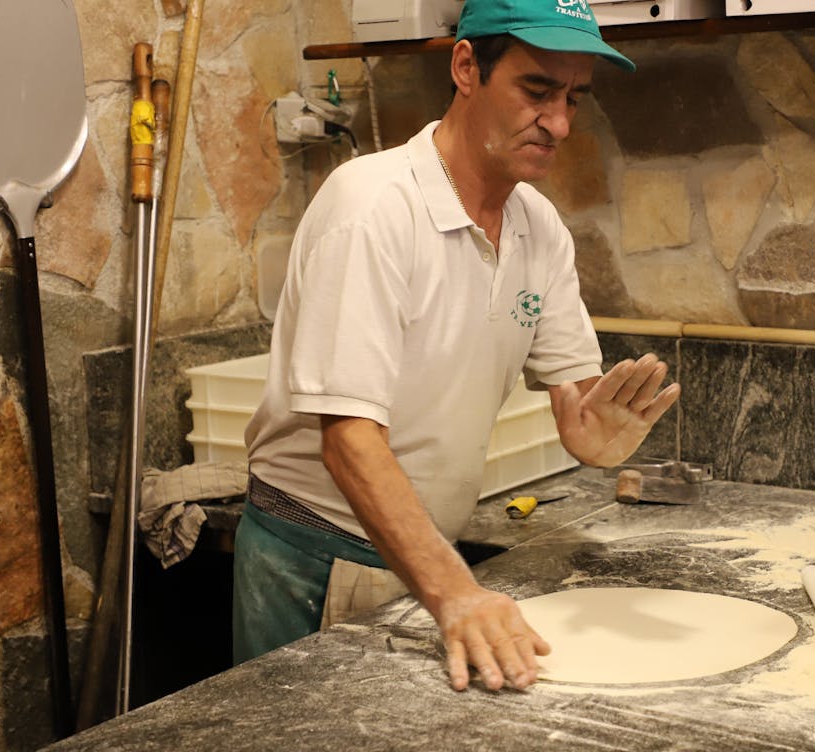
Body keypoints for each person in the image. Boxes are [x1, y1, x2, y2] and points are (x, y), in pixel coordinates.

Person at [234, 0, 680, 693]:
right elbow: (347, 438)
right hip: (319, 555)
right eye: (537, 91)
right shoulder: (372, 208)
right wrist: (456, 593)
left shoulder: (538, 226)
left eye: (573, 98)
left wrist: (592, 431)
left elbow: (575, 392)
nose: (559, 123)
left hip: (424, 555)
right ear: (467, 66)